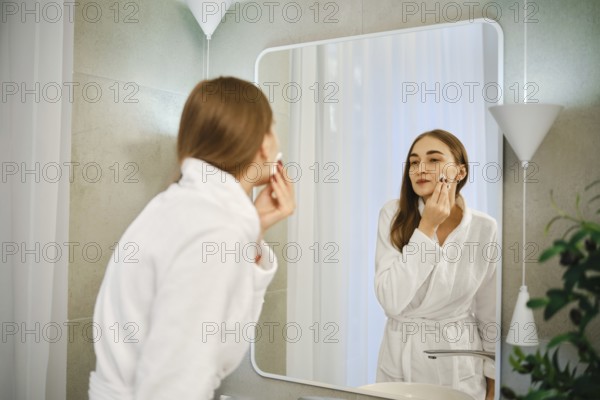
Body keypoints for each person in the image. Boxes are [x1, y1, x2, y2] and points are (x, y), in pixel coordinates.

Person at [88, 77, 295, 400]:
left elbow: (216, 335)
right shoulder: (214, 228)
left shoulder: (185, 208)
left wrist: (256, 228)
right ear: (263, 143)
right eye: (273, 127)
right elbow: (173, 385)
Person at [374, 129, 497, 400]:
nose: (421, 169)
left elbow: (489, 315)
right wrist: (426, 227)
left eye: (433, 160)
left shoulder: (484, 228)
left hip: (459, 365)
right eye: (414, 162)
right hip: (401, 362)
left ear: (460, 172)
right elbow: (391, 300)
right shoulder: (392, 216)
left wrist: (492, 386)